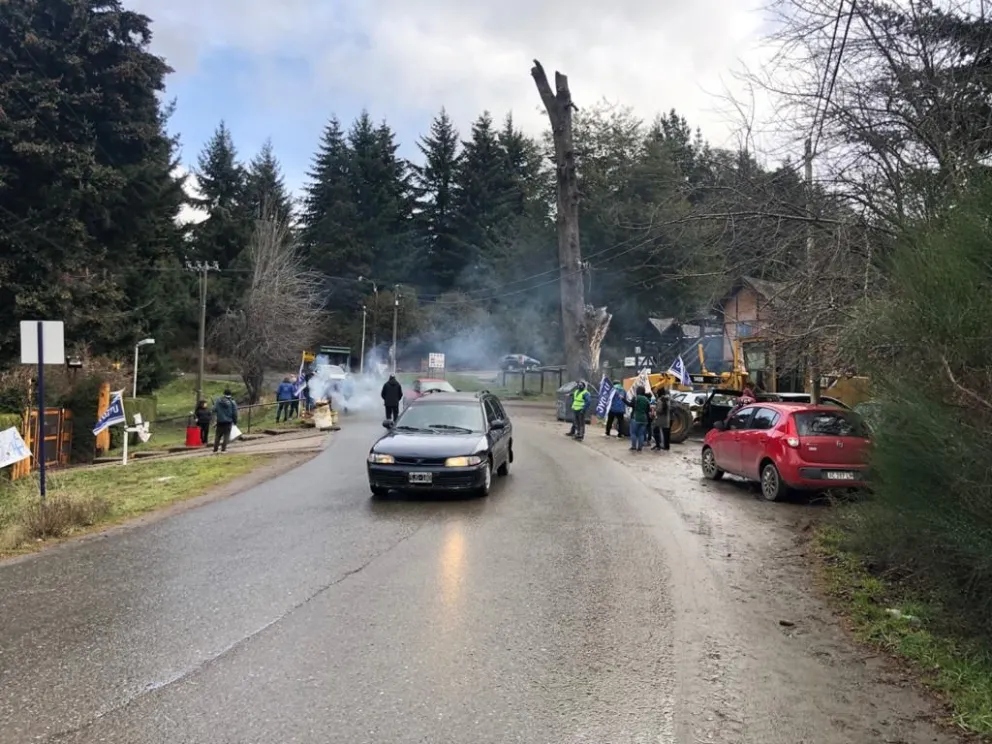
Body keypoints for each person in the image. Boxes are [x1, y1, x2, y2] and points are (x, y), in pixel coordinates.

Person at [213, 388, 238, 453]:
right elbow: (235, 413)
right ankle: (223, 449)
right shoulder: (232, 402)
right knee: (226, 435)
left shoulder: (218, 401)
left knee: (218, 435)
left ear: (224, 394)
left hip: (219, 421)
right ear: (230, 394)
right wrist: (235, 421)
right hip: (228, 421)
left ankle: (215, 449)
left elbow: (214, 409)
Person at [627, 386, 651, 451]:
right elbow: (648, 410)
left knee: (633, 433)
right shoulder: (646, 399)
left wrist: (623, 399)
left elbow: (630, 404)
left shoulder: (636, 398)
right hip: (644, 419)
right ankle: (640, 447)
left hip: (635, 418)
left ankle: (634, 447)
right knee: (641, 434)